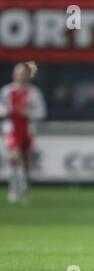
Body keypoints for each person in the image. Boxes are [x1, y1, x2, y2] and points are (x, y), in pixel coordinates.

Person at [0, 61, 46, 204]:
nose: (20, 75)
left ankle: (25, 190)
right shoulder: (7, 91)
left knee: (25, 163)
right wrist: (6, 112)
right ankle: (14, 189)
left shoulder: (34, 92)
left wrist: (28, 113)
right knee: (14, 158)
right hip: (12, 129)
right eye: (17, 72)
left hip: (28, 130)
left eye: (23, 73)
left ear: (28, 75)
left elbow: (41, 113)